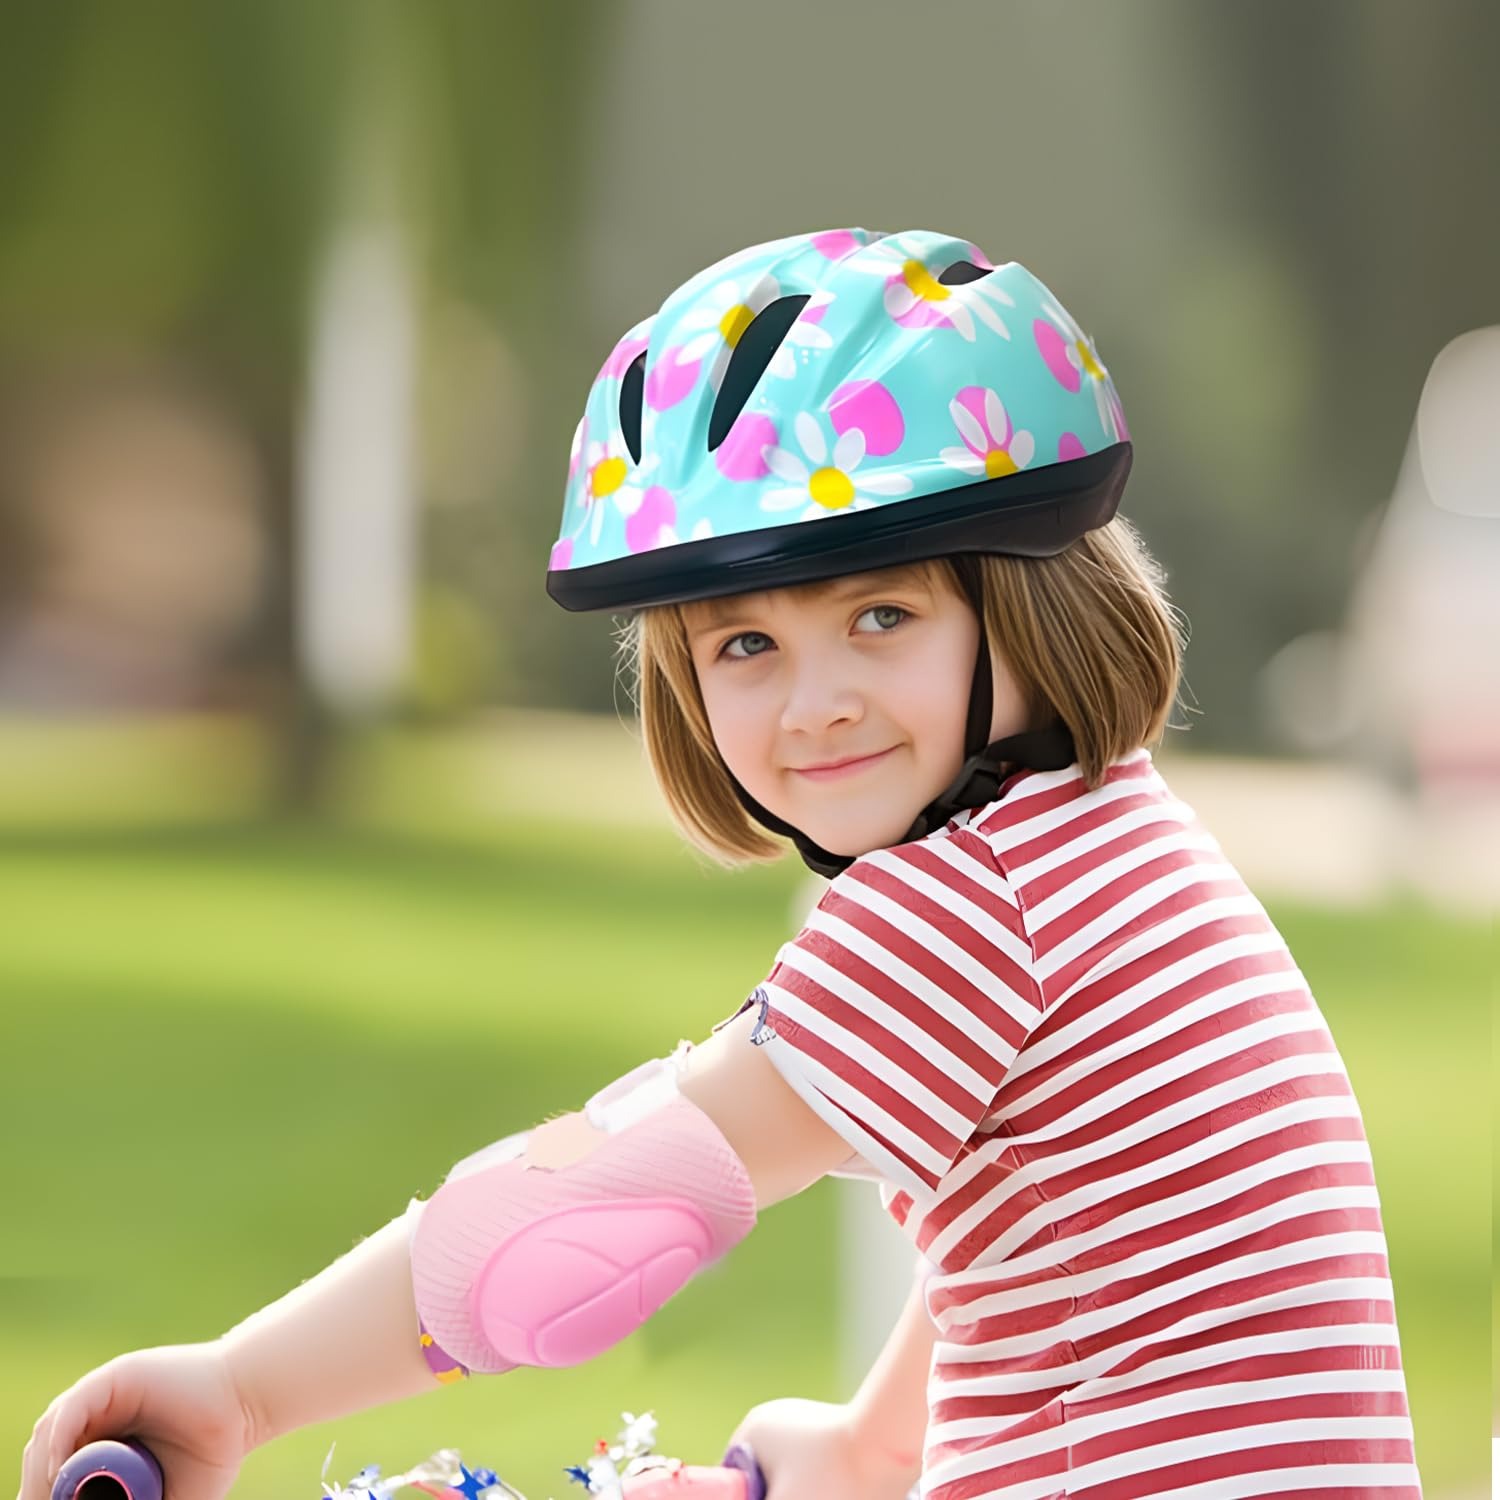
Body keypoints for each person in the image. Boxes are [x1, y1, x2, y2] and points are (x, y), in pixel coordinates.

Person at [17, 228, 1422, 1500]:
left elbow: (572, 1230)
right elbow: (1062, 1273)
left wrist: (246, 1389)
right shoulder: (1100, 841)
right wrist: (859, 1457)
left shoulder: (968, 907)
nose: (814, 702)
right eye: (745, 644)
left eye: (880, 615)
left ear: (1029, 602)